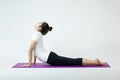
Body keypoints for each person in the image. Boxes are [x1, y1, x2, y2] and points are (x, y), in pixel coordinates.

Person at [23, 22, 106, 67]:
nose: (37, 23)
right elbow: (36, 49)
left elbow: (30, 49)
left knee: (72, 61)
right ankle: (94, 61)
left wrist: (29, 63)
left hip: (50, 58)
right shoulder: (38, 34)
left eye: (39, 23)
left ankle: (95, 62)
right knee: (71, 61)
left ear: (40, 27)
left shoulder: (36, 34)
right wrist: (33, 62)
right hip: (50, 56)